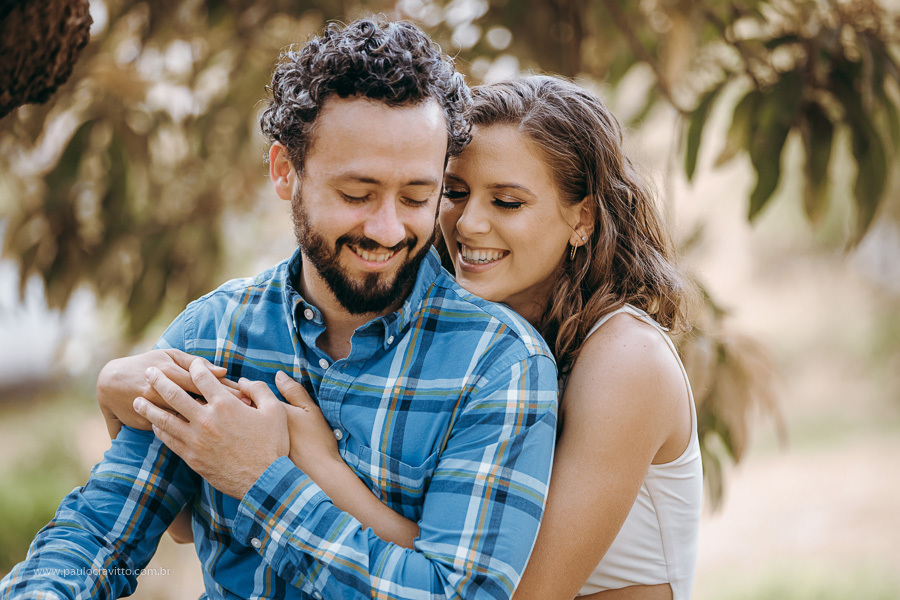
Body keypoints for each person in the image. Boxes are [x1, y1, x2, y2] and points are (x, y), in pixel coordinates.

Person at [0, 19, 560, 600]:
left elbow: (460, 595)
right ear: (284, 172)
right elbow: (96, 538)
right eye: (356, 195)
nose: (389, 228)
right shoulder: (215, 332)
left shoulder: (499, 365)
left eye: (417, 196)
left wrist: (260, 480)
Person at [96, 76, 703, 599]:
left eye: (509, 202)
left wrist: (311, 466)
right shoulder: (457, 344)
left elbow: (506, 590)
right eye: (454, 193)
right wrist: (134, 397)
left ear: (583, 218)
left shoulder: (624, 359)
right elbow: (185, 524)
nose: (469, 223)